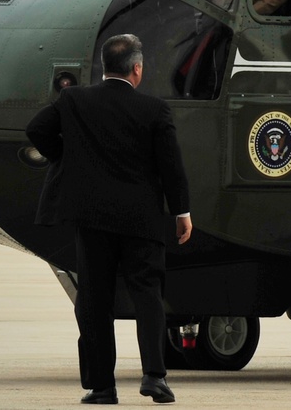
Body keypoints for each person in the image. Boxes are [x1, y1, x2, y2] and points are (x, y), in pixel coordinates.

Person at [26, 34, 192, 405]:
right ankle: (154, 377)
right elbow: (172, 167)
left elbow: (37, 129)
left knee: (94, 299)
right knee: (148, 294)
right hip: (142, 218)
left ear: (105, 67)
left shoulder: (74, 100)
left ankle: (102, 386)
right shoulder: (154, 109)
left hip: (93, 216)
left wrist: (66, 159)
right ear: (137, 69)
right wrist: (182, 212)